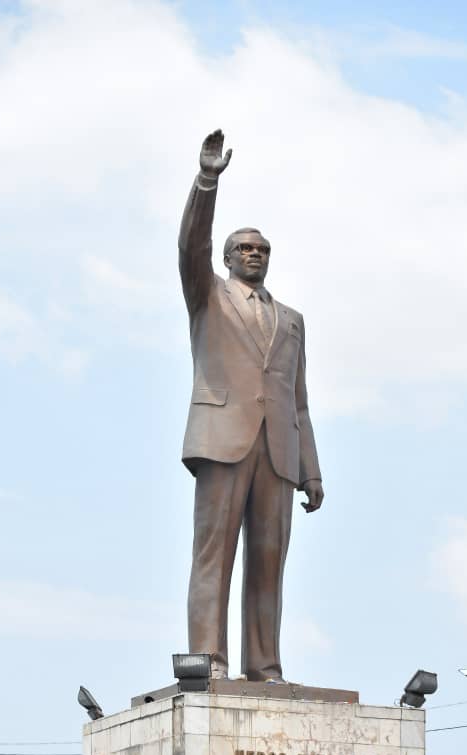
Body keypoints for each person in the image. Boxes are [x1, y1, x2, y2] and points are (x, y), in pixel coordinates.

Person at [179, 129, 323, 681]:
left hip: (278, 452)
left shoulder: (292, 320)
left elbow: (299, 402)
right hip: (222, 440)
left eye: (261, 250)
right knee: (213, 557)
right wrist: (206, 181)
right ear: (226, 258)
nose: (254, 255)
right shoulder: (207, 294)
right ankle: (209, 659)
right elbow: (190, 246)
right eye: (244, 248)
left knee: (269, 564)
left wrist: (311, 470)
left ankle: (265, 666)